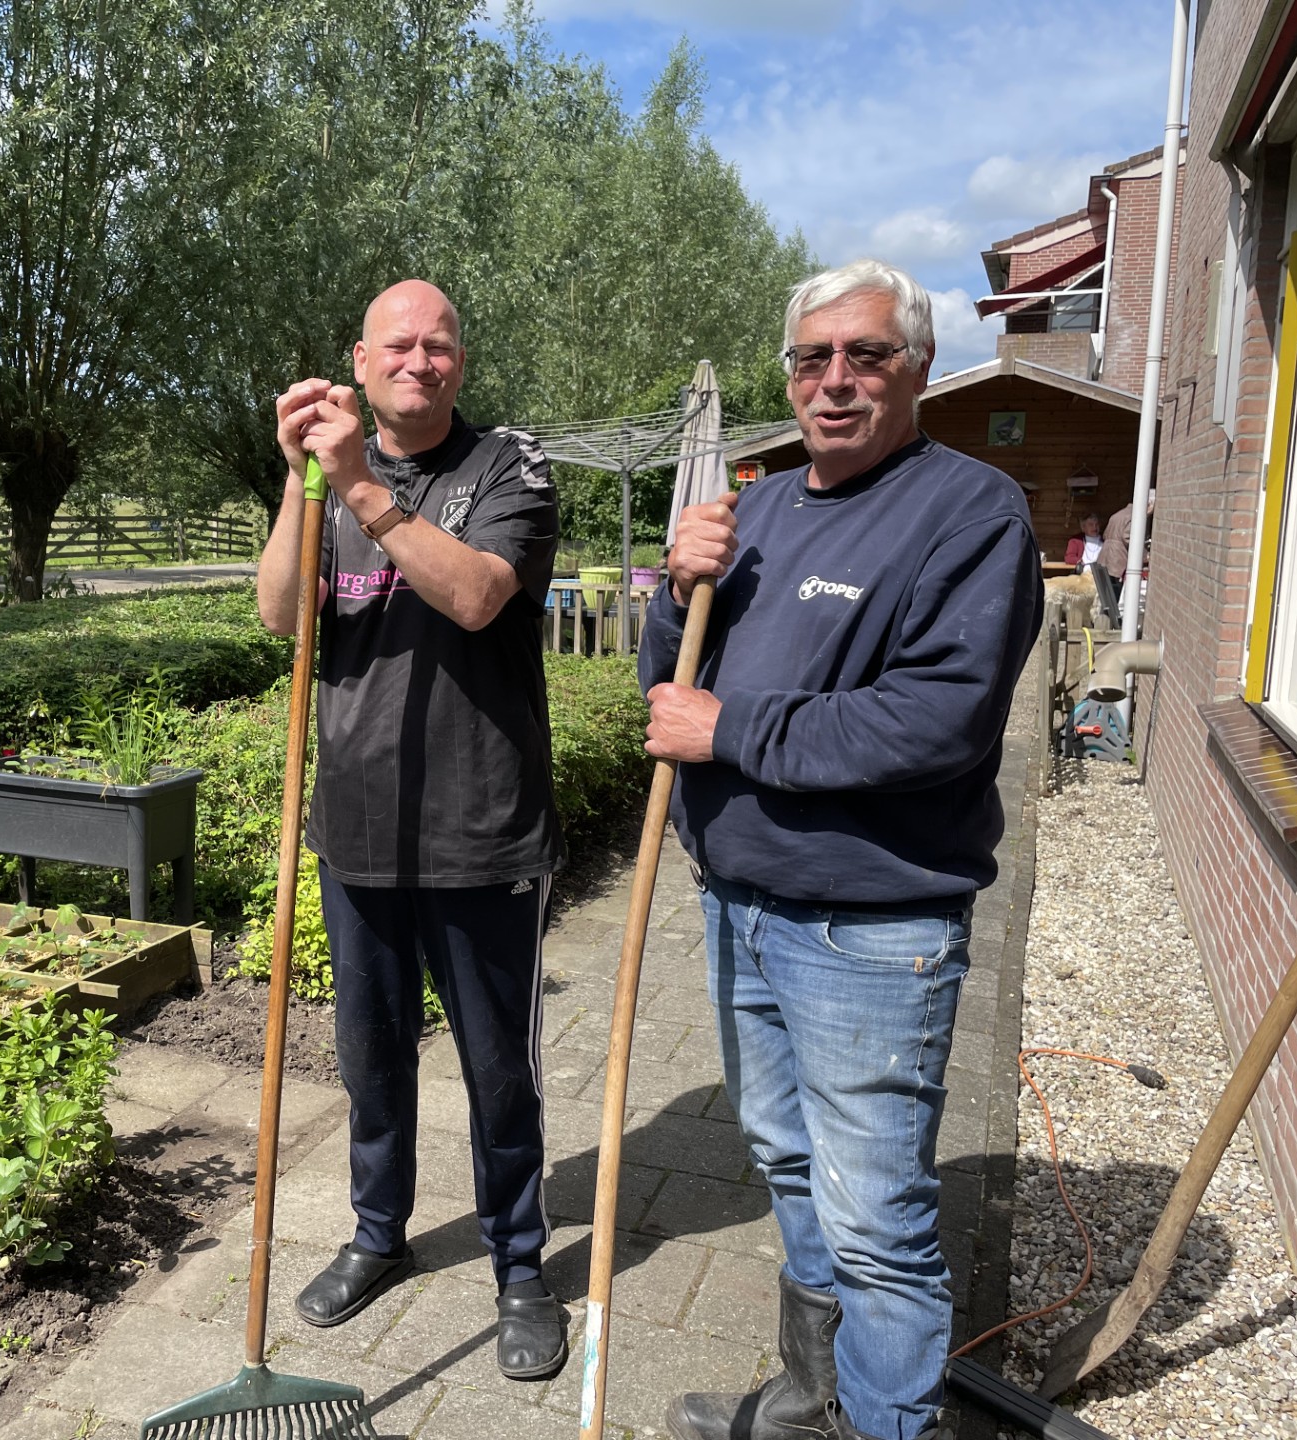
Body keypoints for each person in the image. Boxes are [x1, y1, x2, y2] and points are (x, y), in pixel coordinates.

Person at [642, 259, 1042, 1440]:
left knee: (875, 1218)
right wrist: (676, 590)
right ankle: (810, 1400)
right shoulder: (756, 511)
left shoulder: (970, 513)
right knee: (788, 1164)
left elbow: (939, 720)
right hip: (740, 908)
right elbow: (674, 686)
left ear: (916, 367)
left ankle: (881, 1425)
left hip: (867, 931)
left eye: (865, 356)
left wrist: (732, 730)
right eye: (812, 358)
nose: (835, 381)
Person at [255, 278, 568, 1381]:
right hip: (358, 828)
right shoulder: (324, 477)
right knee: (370, 1061)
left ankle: (521, 1265)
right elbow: (284, 615)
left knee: (498, 1072)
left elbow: (480, 594)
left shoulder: (509, 467)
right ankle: (377, 1235)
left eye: (438, 345)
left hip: (482, 829)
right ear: (360, 358)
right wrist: (306, 487)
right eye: (399, 343)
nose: (419, 360)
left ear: (460, 364)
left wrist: (366, 492)